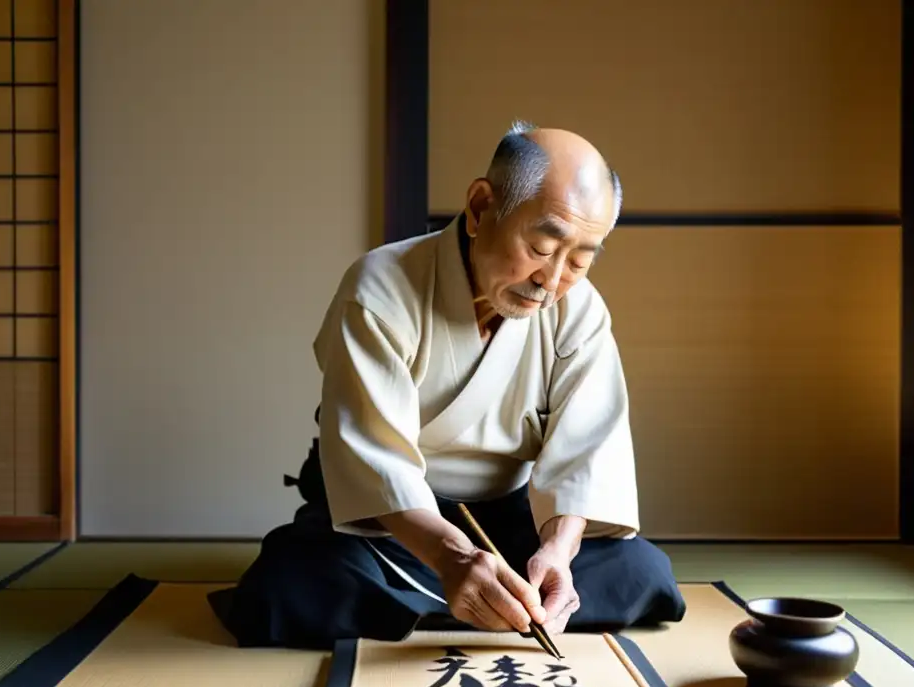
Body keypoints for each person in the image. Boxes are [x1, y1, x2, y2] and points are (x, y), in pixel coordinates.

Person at [208, 121, 686, 650]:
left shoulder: (580, 309)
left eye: (579, 260)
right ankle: (475, 596)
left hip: (513, 519)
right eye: (541, 247)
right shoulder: (381, 289)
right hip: (395, 525)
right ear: (482, 208)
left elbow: (587, 456)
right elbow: (373, 467)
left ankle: (472, 602)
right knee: (285, 588)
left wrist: (557, 553)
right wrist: (452, 559)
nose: (551, 282)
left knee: (643, 573)